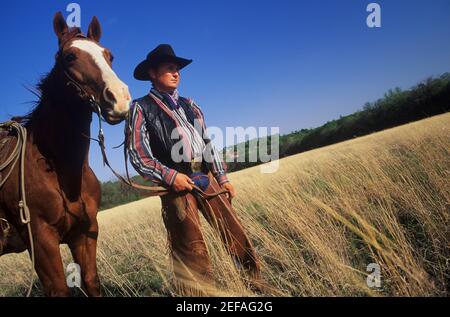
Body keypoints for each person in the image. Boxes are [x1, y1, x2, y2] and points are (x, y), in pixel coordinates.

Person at [127, 44, 261, 294]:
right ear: (153, 74)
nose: (176, 73)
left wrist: (222, 177)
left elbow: (207, 143)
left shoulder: (191, 105)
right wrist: (170, 176)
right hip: (175, 184)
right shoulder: (140, 108)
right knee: (191, 248)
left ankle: (255, 286)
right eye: (169, 68)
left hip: (205, 175)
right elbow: (138, 155)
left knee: (235, 232)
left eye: (177, 69)